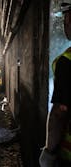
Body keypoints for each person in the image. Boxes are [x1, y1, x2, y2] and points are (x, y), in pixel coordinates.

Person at [39, 4, 71, 167]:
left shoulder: (66, 61)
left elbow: (60, 112)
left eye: (66, 19)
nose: (65, 24)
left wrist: (48, 152)